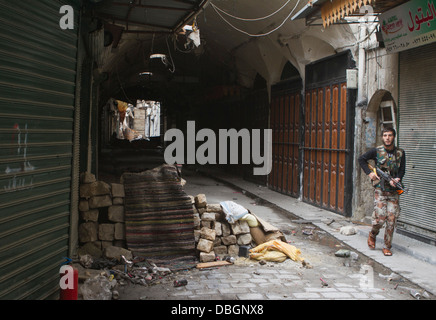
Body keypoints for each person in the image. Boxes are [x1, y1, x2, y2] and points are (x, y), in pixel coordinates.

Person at [358, 127, 406, 256]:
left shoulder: (400, 153)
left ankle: (387, 246)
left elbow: (402, 170)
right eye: (385, 135)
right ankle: (373, 234)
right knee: (380, 219)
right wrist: (370, 174)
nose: (387, 138)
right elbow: (361, 159)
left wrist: (397, 179)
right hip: (380, 190)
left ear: (394, 137)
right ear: (382, 137)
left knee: (391, 219)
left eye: (390, 135)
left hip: (394, 191)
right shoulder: (377, 151)